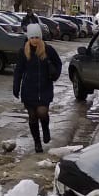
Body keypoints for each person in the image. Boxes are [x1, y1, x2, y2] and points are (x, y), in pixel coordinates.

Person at [13, 23, 62, 153]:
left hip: (44, 89)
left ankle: (45, 128)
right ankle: (37, 143)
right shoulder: (23, 51)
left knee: (42, 113)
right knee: (32, 116)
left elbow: (58, 63)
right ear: (29, 38)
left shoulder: (48, 49)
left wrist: (55, 75)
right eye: (32, 37)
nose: (35, 40)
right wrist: (16, 86)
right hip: (28, 90)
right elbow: (18, 71)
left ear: (40, 37)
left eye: (37, 37)